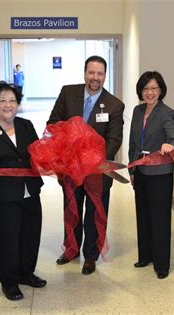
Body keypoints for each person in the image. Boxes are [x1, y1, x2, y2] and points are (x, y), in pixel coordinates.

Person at [47, 55, 124, 275]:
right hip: (70, 168)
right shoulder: (68, 93)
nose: (95, 78)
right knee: (71, 210)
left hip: (97, 172)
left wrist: (92, 161)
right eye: (91, 72)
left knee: (94, 213)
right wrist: (69, 140)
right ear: (84, 73)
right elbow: (53, 123)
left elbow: (114, 140)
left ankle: (90, 256)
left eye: (100, 74)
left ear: (105, 76)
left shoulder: (114, 105)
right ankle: (71, 249)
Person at [0, 81, 46, 300]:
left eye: (12, 100)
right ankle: (9, 281)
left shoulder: (26, 125)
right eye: (2, 100)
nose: (8, 105)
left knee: (30, 234)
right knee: (6, 239)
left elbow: (36, 152)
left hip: (30, 190)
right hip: (2, 195)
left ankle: (26, 273)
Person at [128, 71, 174, 279]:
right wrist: (132, 169)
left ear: (161, 90)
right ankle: (146, 256)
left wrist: (170, 145)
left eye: (154, 88)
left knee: (160, 219)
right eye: (146, 88)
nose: (150, 92)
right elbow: (133, 143)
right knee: (143, 215)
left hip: (159, 173)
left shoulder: (166, 112)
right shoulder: (137, 110)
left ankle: (161, 264)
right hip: (140, 170)